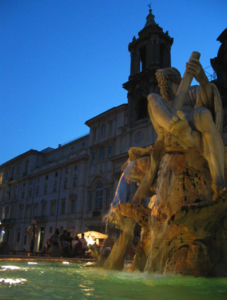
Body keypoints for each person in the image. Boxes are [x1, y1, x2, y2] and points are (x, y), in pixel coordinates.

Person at [132, 56, 226, 203]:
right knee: (151, 97)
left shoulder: (191, 91)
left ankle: (218, 182)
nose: (163, 86)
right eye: (160, 83)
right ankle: (175, 127)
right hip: (167, 131)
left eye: (166, 82)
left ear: (176, 81)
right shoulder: (161, 102)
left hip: (189, 126)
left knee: (205, 114)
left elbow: (208, 102)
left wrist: (202, 79)